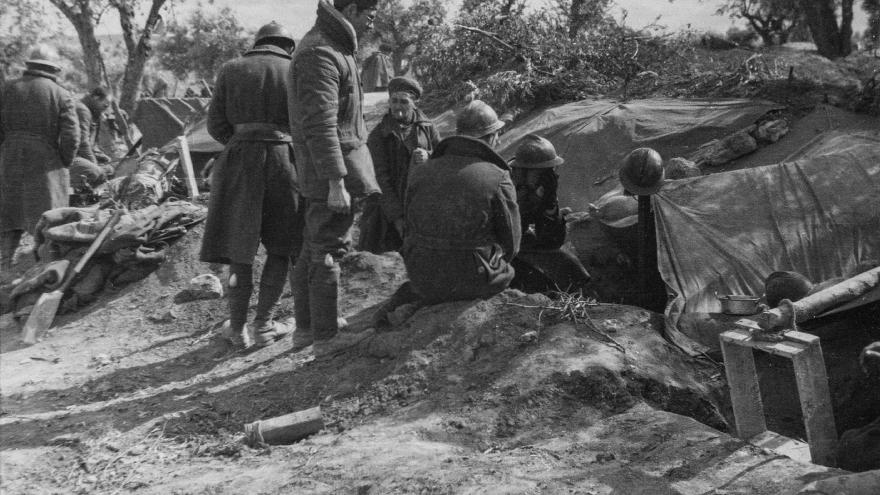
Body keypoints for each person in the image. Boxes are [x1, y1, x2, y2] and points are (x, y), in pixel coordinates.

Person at [287, 0, 381, 356]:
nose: (374, 14)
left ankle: (308, 329)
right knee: (327, 246)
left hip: (328, 169)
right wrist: (336, 182)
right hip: (329, 173)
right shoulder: (321, 53)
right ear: (351, 7)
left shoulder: (329, 46)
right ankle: (325, 337)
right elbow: (321, 125)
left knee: (314, 245)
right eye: (369, 8)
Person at [200, 22, 302, 348]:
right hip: (284, 162)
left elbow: (216, 125)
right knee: (282, 247)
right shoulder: (294, 69)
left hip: (239, 164)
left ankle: (237, 329)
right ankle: (265, 325)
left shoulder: (231, 69)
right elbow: (305, 123)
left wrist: (242, 142)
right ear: (287, 44)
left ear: (258, 42)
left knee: (238, 251)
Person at [402, 100, 520, 303]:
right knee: (507, 272)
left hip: (421, 276)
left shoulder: (421, 170)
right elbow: (511, 244)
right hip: (471, 279)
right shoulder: (497, 176)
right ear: (489, 137)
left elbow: (409, 225)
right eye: (497, 135)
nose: (499, 142)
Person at [0, 44, 79, 270]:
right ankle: (43, 265)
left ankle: (5, 264)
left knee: (10, 212)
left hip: (10, 157)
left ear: (29, 66)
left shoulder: (6, 89)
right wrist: (64, 162)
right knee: (47, 214)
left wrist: (6, 151)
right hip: (45, 163)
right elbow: (71, 136)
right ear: (54, 69)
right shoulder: (61, 94)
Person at [358, 76, 440, 254]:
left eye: (403, 102)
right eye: (393, 101)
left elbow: (444, 159)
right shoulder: (379, 135)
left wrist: (429, 155)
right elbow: (380, 179)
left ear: (414, 104)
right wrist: (397, 217)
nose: (397, 106)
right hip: (387, 211)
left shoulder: (427, 128)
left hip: (421, 206)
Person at [508, 134, 590, 292]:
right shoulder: (507, 188)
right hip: (498, 253)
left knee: (571, 267)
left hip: (519, 244)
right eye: (545, 170)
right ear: (525, 171)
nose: (551, 173)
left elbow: (552, 241)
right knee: (539, 281)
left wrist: (549, 205)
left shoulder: (541, 187)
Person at [70, 87, 114, 202]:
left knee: (108, 169)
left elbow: (90, 143)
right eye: (104, 105)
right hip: (68, 158)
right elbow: (82, 143)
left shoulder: (89, 111)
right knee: (98, 173)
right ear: (95, 98)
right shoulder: (82, 111)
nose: (105, 110)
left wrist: (99, 155)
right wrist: (95, 164)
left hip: (76, 155)